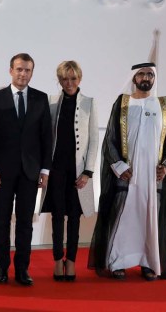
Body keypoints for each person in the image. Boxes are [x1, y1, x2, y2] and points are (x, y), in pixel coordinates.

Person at [88, 62, 166, 281]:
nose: (146, 77)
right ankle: (119, 261)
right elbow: (110, 139)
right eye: (141, 74)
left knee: (149, 219)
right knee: (124, 218)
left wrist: (165, 165)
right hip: (128, 175)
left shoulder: (163, 104)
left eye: (150, 74)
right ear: (134, 78)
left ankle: (149, 263)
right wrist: (119, 166)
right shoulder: (123, 103)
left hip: (152, 178)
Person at [0, 53, 52, 286]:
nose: (23, 74)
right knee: (1, 221)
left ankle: (22, 269)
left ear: (32, 72)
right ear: (11, 70)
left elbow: (46, 138)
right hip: (1, 173)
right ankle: (2, 267)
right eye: (19, 69)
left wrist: (45, 170)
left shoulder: (41, 99)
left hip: (30, 173)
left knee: (25, 223)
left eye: (28, 70)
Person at [40, 61, 98, 282]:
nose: (69, 83)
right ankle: (57, 260)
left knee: (74, 217)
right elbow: (45, 138)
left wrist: (88, 172)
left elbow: (94, 140)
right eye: (65, 79)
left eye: (73, 78)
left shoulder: (89, 104)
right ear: (59, 80)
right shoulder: (51, 102)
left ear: (79, 79)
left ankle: (71, 261)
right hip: (56, 170)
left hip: (79, 173)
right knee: (57, 217)